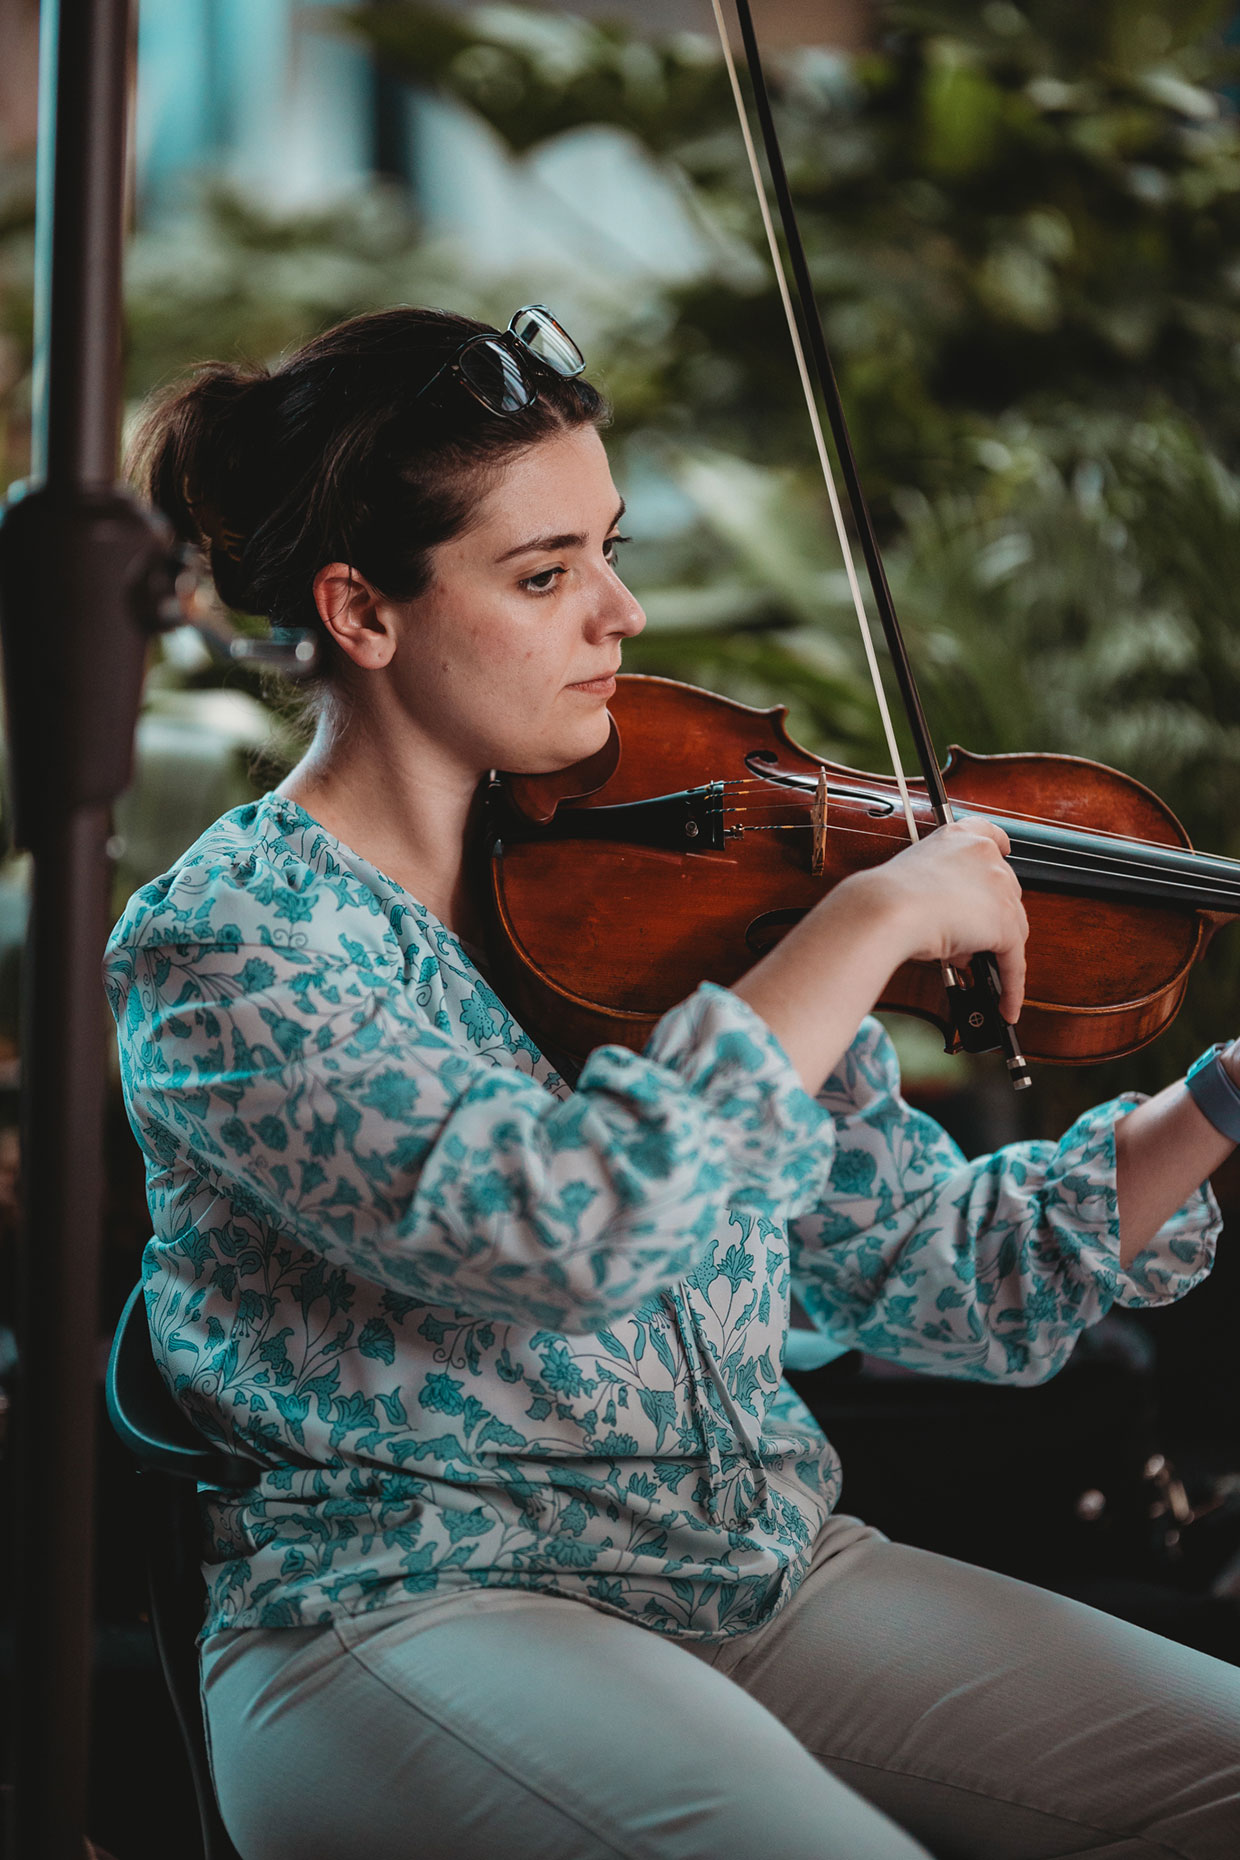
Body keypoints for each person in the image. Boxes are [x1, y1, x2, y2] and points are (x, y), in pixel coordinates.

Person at [105, 304, 1240, 1860]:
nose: (621, 615)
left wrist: (1228, 1101)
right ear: (361, 611)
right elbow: (557, 1236)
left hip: (757, 1570)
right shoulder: (234, 943)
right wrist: (861, 934)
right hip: (413, 1604)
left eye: (608, 548)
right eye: (545, 574)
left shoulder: (668, 884)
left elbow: (938, 1275)